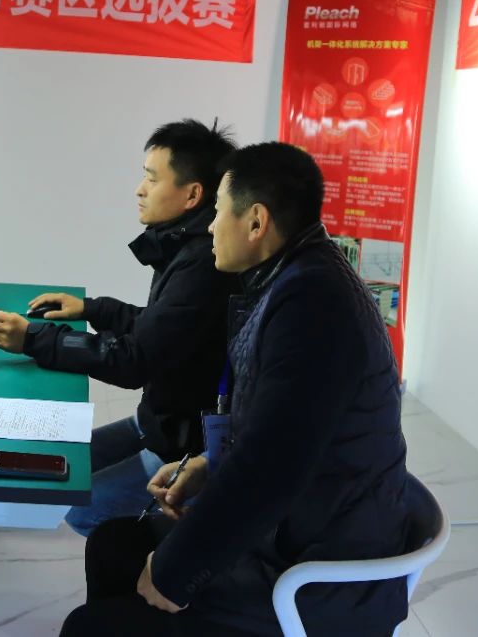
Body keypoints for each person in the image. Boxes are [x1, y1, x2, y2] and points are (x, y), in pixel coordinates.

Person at [60, 142, 411, 637]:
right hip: (297, 524)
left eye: (219, 211)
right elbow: (278, 433)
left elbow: (269, 470)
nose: (209, 227)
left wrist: (176, 572)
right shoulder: (294, 275)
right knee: (113, 545)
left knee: (90, 626)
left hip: (315, 571)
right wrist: (209, 464)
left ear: (256, 222)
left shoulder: (313, 306)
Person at [0, 118, 237, 535]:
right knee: (64, 463)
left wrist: (34, 338)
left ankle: (164, 551)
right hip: (158, 423)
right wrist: (93, 309)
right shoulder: (184, 246)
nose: (140, 189)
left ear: (192, 194)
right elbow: (162, 329)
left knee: (84, 511)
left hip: (182, 445)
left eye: (152, 179)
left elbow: (134, 361)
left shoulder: (201, 264)